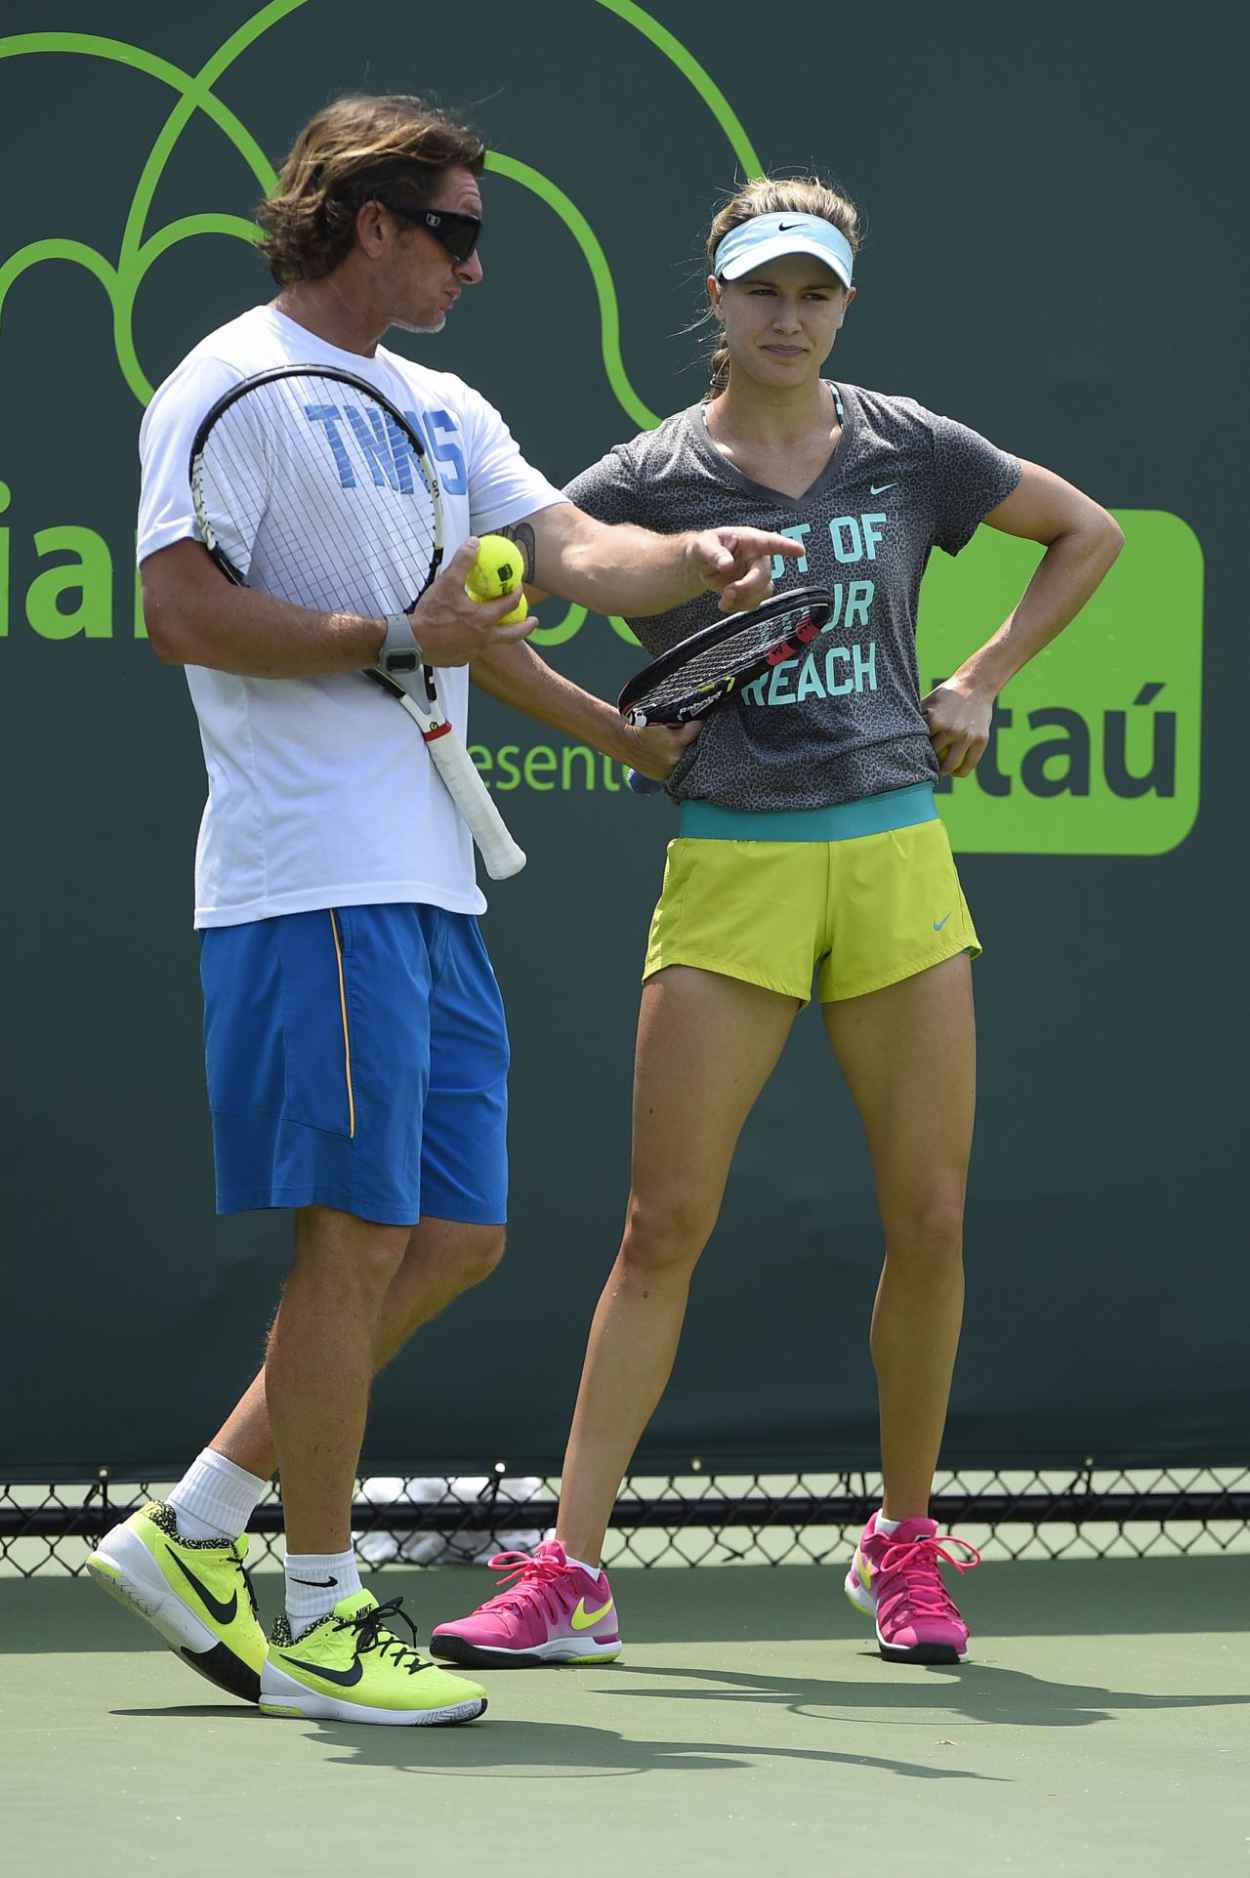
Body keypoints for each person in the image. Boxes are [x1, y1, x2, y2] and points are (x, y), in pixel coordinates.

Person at [86, 96, 798, 1728]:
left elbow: (577, 555)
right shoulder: (229, 385)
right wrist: (388, 635)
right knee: (354, 1238)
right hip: (308, 878)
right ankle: (323, 1610)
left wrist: (697, 561)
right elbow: (178, 609)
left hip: (426, 877)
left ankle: (194, 1523)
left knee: (454, 1238)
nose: (475, 266)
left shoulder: (438, 405)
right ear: (369, 222)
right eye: (457, 233)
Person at [430, 174, 1124, 1669]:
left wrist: (982, 676)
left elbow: (1085, 532)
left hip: (892, 856)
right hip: (734, 862)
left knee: (928, 1216)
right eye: (762, 290)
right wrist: (611, 731)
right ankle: (573, 1567)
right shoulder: (648, 475)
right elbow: (492, 620)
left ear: (843, 306)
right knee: (660, 1225)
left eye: (813, 292)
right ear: (718, 301)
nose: (787, 316)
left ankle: (904, 1542)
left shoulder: (907, 445)